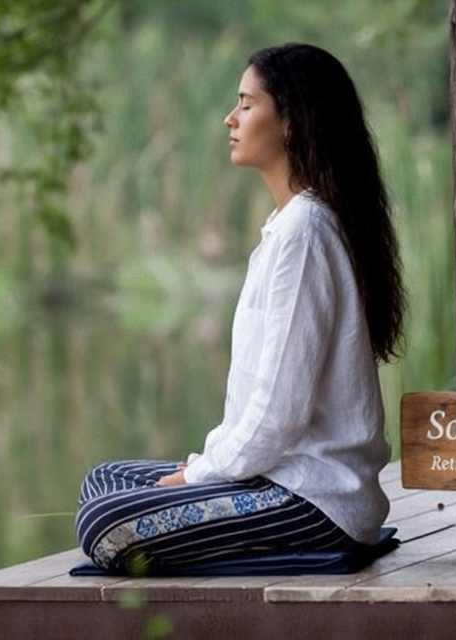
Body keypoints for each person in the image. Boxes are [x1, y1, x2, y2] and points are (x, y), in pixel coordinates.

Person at [75, 42, 406, 573]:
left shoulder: (304, 233)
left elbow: (279, 413)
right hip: (271, 477)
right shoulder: (286, 226)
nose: (230, 118)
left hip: (314, 499)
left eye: (247, 104)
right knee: (105, 481)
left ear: (291, 121)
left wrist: (201, 475)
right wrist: (208, 467)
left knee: (104, 523)